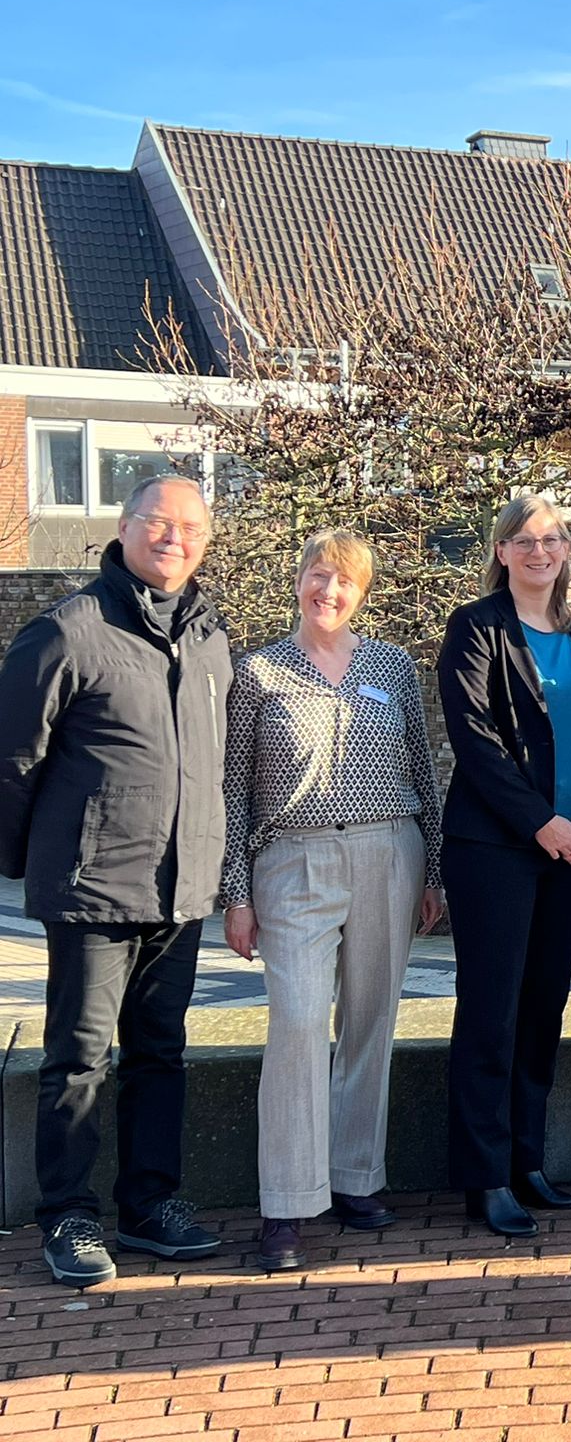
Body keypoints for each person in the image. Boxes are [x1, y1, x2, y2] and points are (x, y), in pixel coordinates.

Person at [0, 474, 232, 1287]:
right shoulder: (67, 631)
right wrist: (28, 864)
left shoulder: (209, 636)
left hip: (182, 888)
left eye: (191, 528)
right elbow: (13, 761)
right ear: (125, 527)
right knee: (79, 1057)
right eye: (159, 523)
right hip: (93, 887)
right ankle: (68, 1215)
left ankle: (150, 1205)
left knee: (161, 1053)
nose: (175, 539)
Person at [222, 530, 446, 1272]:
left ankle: (354, 1176)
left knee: (370, 1019)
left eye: (346, 581)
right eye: (320, 575)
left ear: (362, 592)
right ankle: (287, 1202)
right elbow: (232, 790)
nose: (331, 591)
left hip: (389, 851)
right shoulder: (258, 672)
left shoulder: (391, 665)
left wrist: (433, 871)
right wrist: (236, 894)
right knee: (296, 1022)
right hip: (293, 861)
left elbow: (423, 770)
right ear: (299, 581)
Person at [438, 496, 571, 1239]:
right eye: (524, 540)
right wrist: (539, 820)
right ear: (502, 551)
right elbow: (475, 739)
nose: (540, 551)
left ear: (567, 549)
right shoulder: (476, 628)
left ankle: (526, 1160)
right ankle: (485, 1176)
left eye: (552, 539)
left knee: (545, 1005)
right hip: (496, 849)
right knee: (492, 1011)